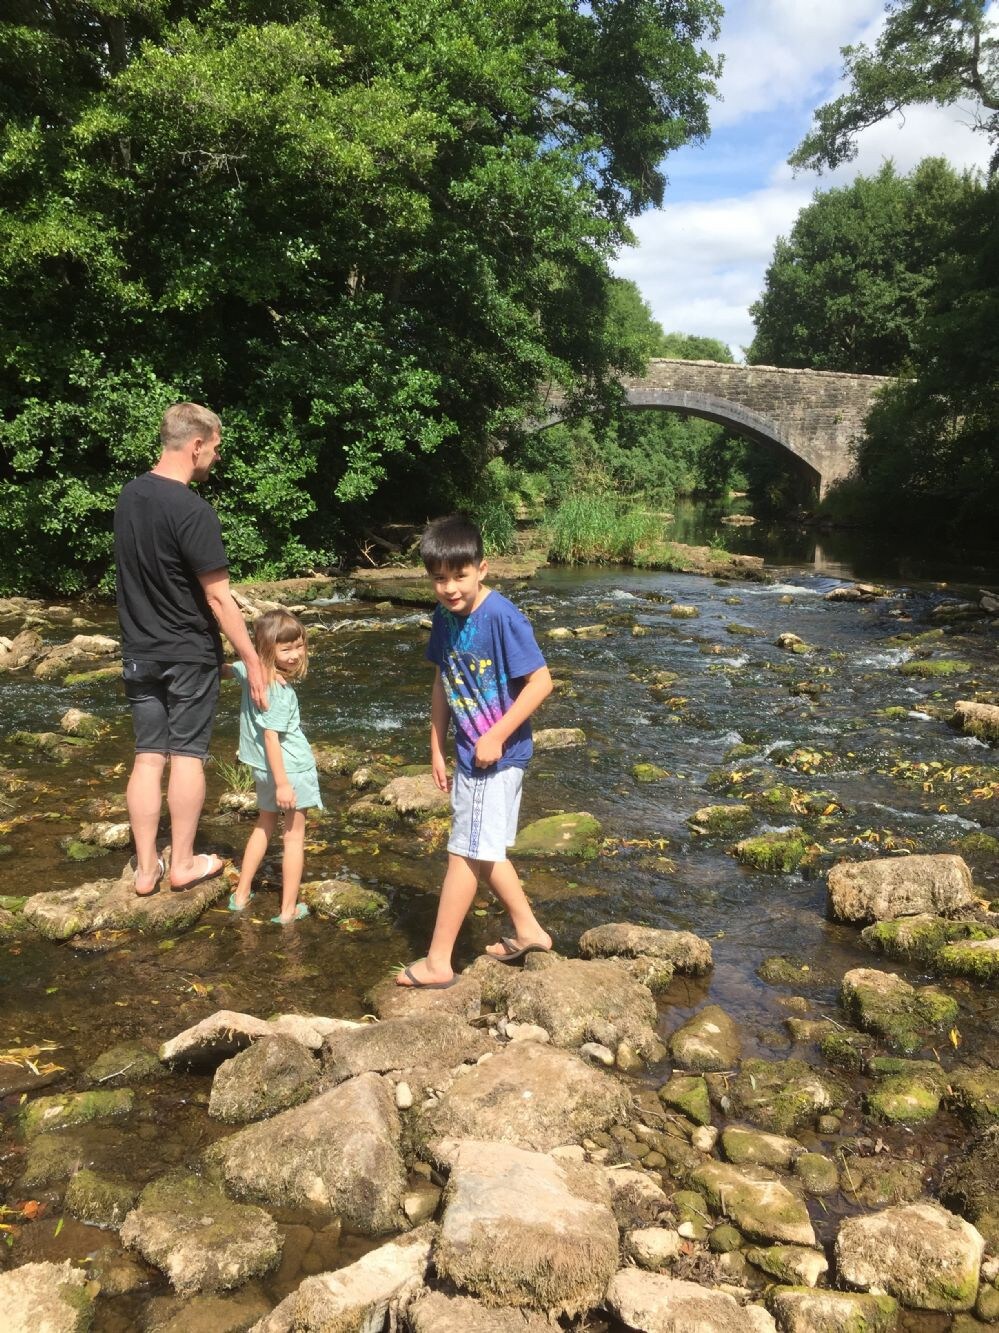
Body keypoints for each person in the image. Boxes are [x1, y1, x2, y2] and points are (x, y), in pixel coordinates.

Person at [114, 402, 268, 897]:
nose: (216, 459)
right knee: (186, 757)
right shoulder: (193, 510)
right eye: (216, 448)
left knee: (146, 757)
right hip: (187, 653)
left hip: (139, 649)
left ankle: (144, 871)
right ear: (196, 444)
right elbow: (219, 598)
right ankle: (180, 863)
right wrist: (251, 659)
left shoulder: (128, 496)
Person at [397, 514, 554, 988]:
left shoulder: (503, 616)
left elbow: (541, 682)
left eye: (459, 576)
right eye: (439, 578)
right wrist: (435, 742)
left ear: (482, 568)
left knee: (464, 853)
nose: (449, 588)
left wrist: (496, 735)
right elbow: (443, 677)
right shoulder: (445, 616)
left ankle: (439, 961)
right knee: (485, 852)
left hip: (497, 757)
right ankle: (530, 931)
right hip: (469, 753)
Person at [224, 609, 320, 924]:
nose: (295, 655)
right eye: (286, 648)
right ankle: (287, 910)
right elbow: (271, 737)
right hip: (288, 770)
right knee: (293, 838)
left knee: (264, 825)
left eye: (299, 646)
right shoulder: (280, 691)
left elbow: (223, 670)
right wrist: (283, 784)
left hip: (262, 769)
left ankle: (240, 895)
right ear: (268, 650)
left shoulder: (249, 672)